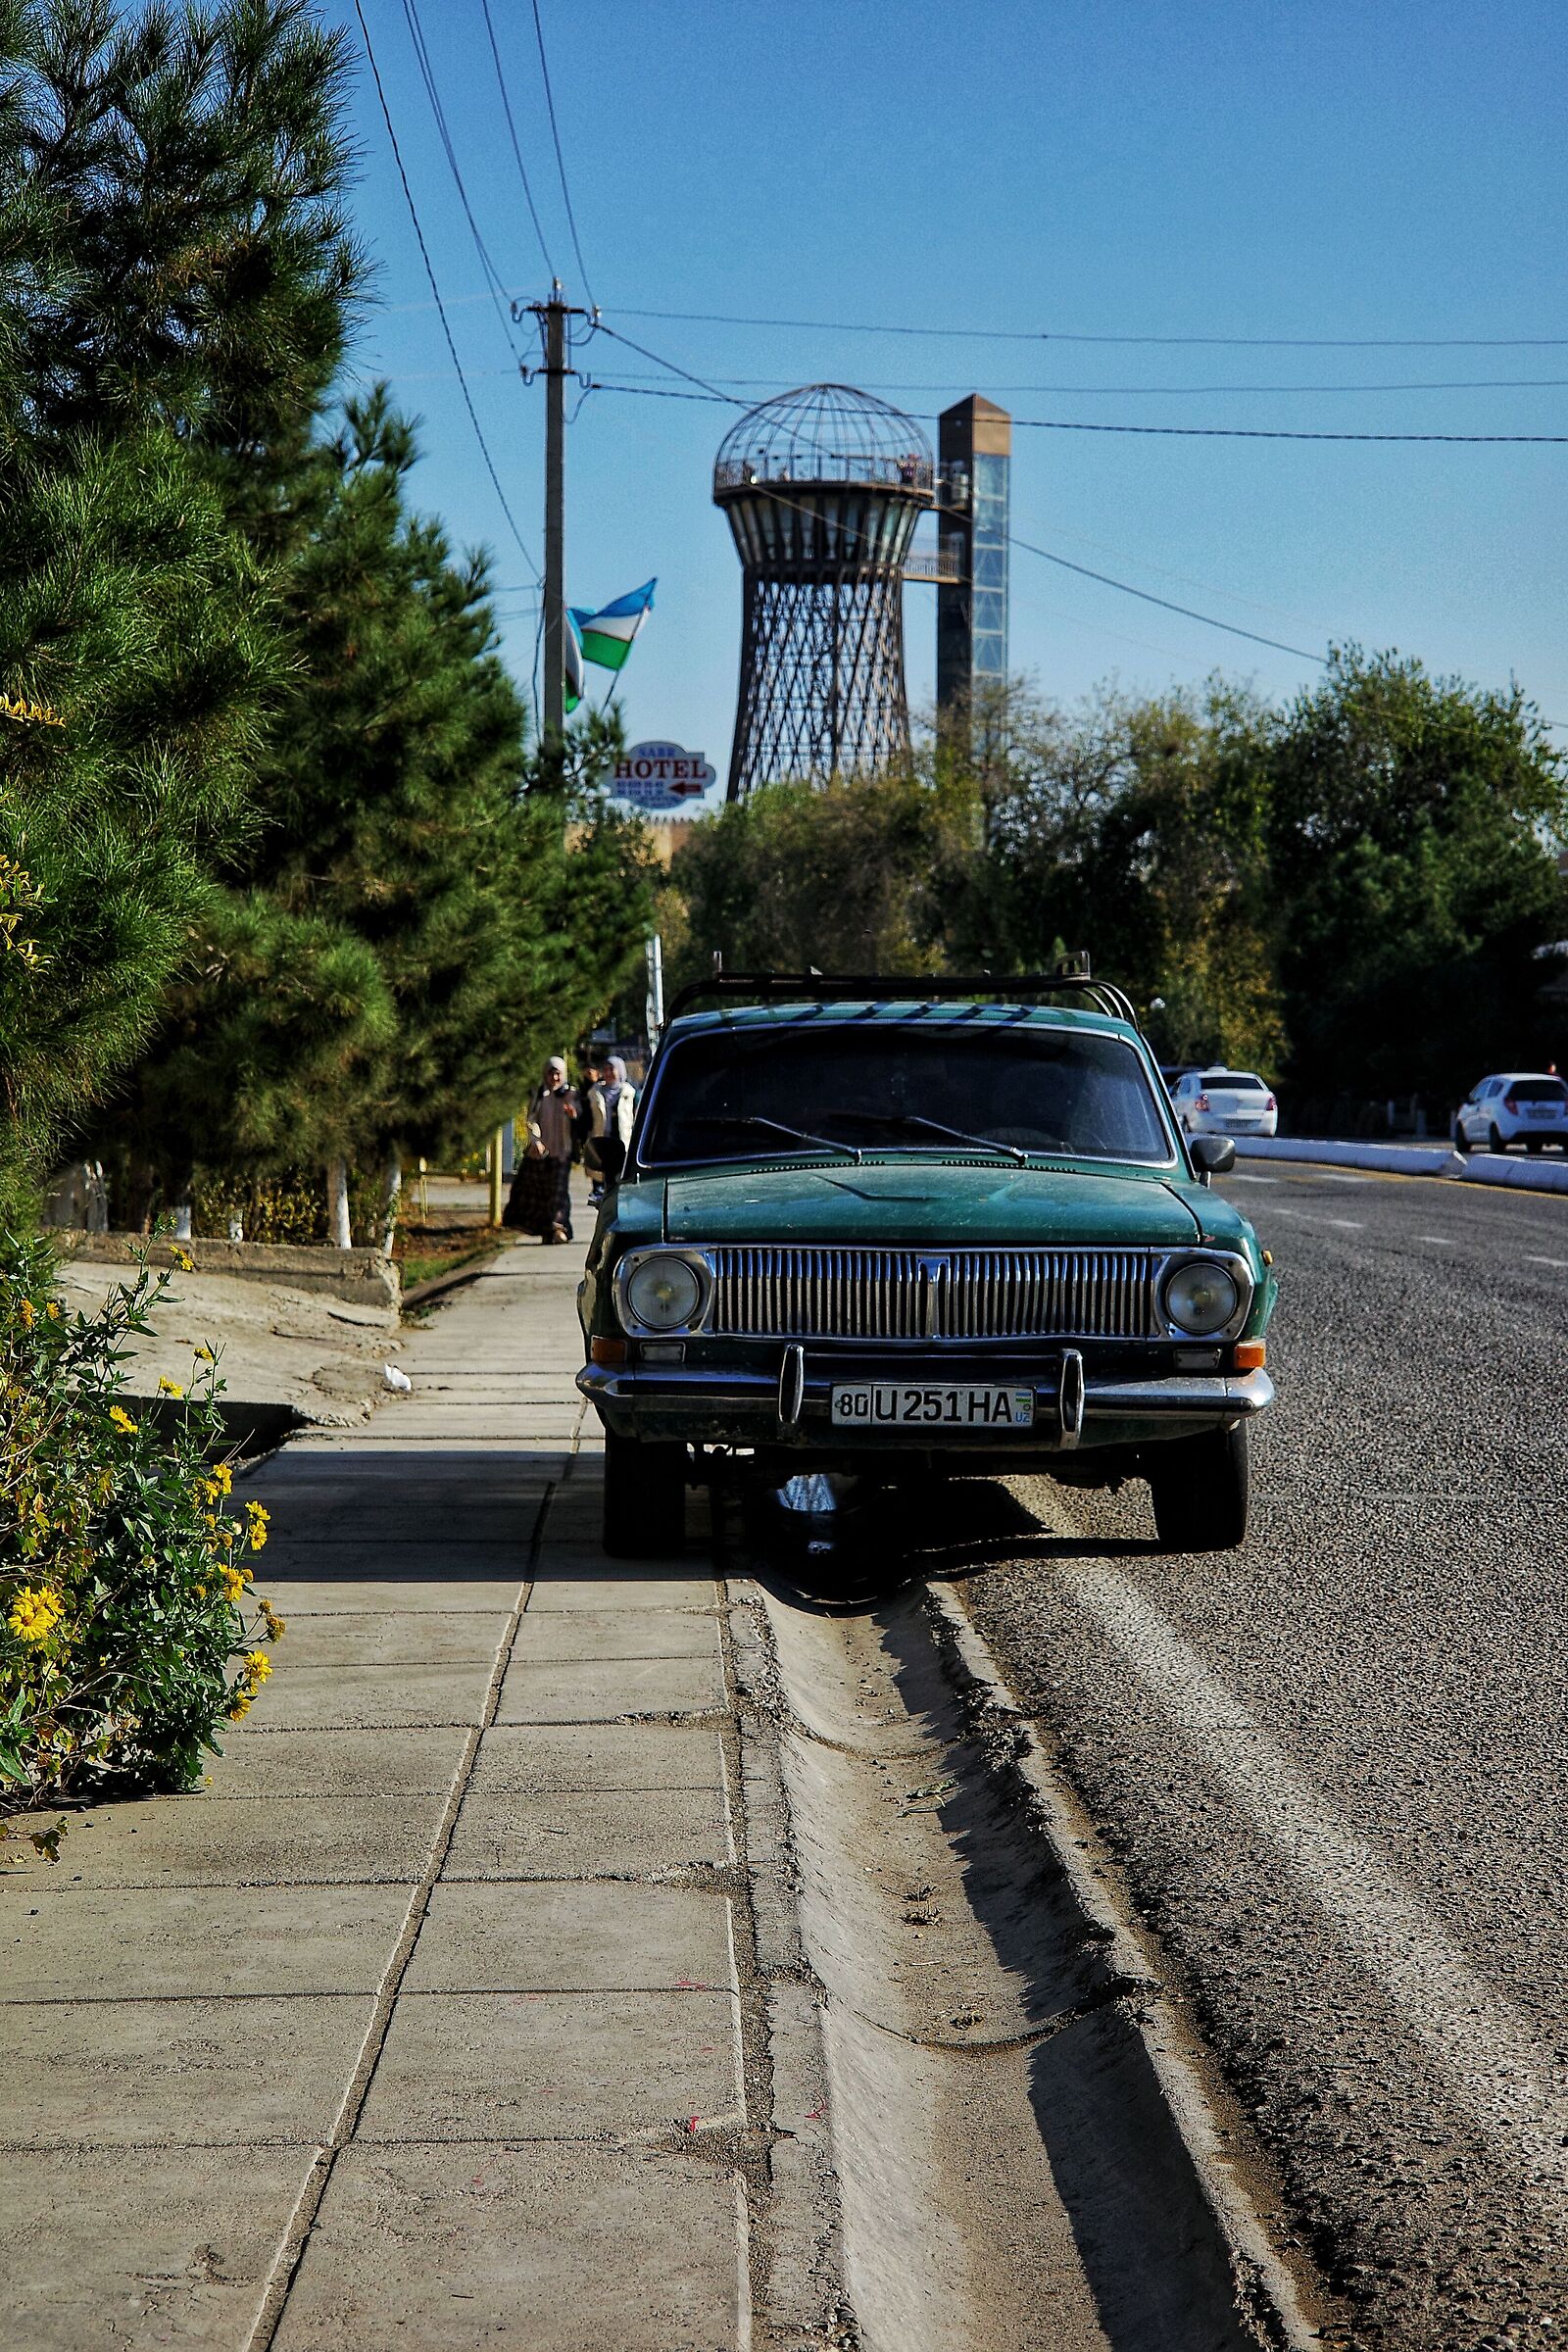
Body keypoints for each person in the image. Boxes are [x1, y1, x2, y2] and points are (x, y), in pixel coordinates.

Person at [511, 1055, 578, 1244]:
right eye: (551, 1074)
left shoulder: (571, 1095)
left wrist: (574, 1117)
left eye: (558, 1074)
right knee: (544, 1194)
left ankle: (559, 1228)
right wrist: (536, 1141)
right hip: (542, 1153)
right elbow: (531, 1120)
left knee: (559, 1192)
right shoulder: (540, 1095)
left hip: (563, 1153)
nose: (554, 1078)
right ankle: (547, 1231)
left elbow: (581, 1123)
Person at [598, 1056, 636, 1193]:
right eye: (605, 1070)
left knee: (624, 1180)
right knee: (607, 1182)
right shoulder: (596, 1093)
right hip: (604, 1143)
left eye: (611, 1069)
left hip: (623, 1142)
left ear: (620, 1071)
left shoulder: (630, 1093)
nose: (608, 1073)